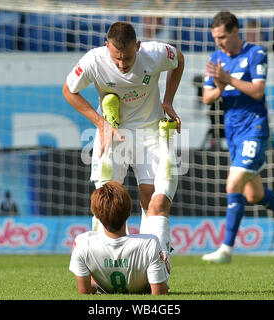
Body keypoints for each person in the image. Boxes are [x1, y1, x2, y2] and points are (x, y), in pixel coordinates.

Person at [63, 21, 184, 271]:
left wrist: (168, 100)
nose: (122, 64)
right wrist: (100, 124)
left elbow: (179, 58)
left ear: (138, 47)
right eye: (116, 58)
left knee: (153, 200)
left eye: (127, 57)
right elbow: (68, 90)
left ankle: (155, 266)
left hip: (149, 133)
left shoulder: (155, 54)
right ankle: (103, 271)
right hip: (113, 132)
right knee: (107, 205)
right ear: (106, 46)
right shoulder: (94, 61)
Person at [201, 11, 274, 263]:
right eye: (215, 38)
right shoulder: (216, 58)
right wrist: (219, 86)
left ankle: (226, 249)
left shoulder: (255, 53)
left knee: (233, 184)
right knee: (253, 195)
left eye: (223, 37)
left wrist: (228, 79)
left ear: (236, 32)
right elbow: (207, 97)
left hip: (255, 129)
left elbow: (258, 91)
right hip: (233, 133)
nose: (218, 42)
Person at [69, 181, 169, 294]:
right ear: (129, 212)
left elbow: (85, 292)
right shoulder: (150, 242)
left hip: (103, 284)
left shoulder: (82, 243)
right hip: (147, 277)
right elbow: (159, 293)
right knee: (159, 213)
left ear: (96, 215)